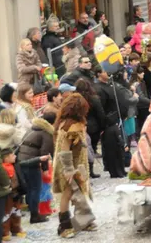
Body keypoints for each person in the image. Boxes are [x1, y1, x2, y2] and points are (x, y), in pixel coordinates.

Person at [52, 93, 96, 238]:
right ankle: (64, 227)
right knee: (68, 193)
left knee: (80, 192)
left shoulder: (65, 122)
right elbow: (65, 150)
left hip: (76, 165)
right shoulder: (71, 126)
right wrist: (69, 170)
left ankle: (85, 220)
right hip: (69, 166)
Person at [18, 111, 55, 224]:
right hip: (33, 162)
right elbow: (45, 152)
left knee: (30, 188)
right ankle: (35, 215)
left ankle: (32, 209)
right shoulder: (46, 133)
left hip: (21, 160)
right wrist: (45, 169)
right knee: (35, 188)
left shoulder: (33, 128)